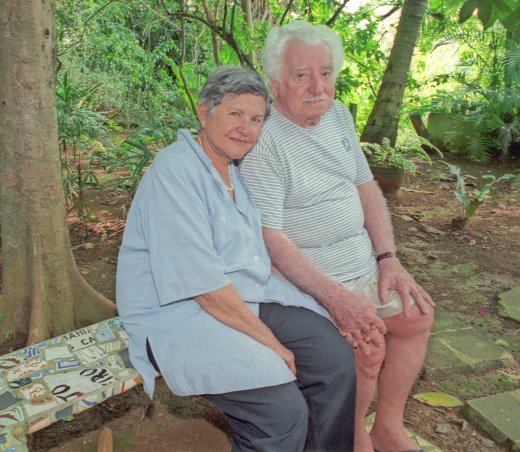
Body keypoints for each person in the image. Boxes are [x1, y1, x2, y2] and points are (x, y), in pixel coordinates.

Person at [116, 66, 357, 452]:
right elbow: (203, 286)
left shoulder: (233, 171)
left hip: (239, 296)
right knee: (280, 414)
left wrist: (325, 300)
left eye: (256, 119)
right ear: (204, 112)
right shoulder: (175, 171)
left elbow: (255, 256)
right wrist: (273, 345)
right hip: (179, 313)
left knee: (334, 360)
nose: (245, 128)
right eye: (235, 114)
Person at [240, 21, 435, 452]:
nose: (318, 87)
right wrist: (337, 298)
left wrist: (388, 259)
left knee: (417, 315)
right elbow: (271, 238)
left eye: (326, 73)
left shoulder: (339, 115)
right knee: (367, 348)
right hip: (311, 283)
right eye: (302, 75)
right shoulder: (264, 140)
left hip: (363, 266)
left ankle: (388, 428)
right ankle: (354, 436)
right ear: (275, 83)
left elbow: (366, 187)